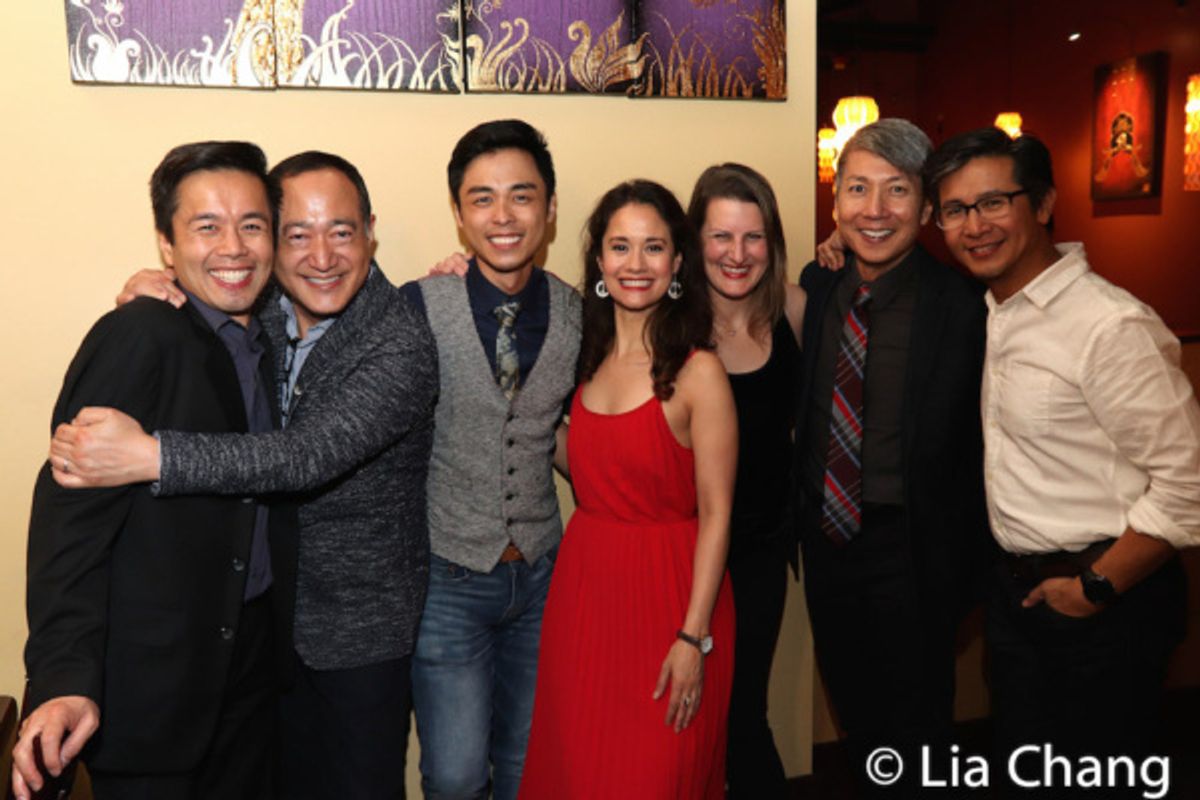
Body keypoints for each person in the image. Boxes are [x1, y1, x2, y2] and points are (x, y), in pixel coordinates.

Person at [47, 151, 439, 800]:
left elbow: (304, 456)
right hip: (256, 635)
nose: (322, 256)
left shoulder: (399, 339)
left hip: (358, 634)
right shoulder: (258, 311)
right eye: (296, 234)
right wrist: (160, 289)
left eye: (341, 232)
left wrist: (154, 455)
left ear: (371, 231)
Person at [924, 128, 1200, 797]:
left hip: (1108, 603)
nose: (974, 226)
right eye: (956, 210)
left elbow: (1189, 487)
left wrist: (1095, 589)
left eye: (994, 202)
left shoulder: (1108, 326)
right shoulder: (992, 312)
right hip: (1021, 599)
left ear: (1043, 204)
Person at [15, 141, 290, 800]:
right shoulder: (140, 335)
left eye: (252, 225)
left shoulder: (273, 336)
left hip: (250, 686)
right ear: (167, 245)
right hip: (153, 698)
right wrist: (63, 679)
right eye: (206, 227)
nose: (234, 247)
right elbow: (68, 525)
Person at [518, 179, 736, 798]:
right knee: (581, 771)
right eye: (619, 247)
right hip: (585, 599)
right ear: (598, 262)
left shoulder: (700, 372)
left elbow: (719, 514)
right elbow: (590, 461)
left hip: (674, 600)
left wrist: (694, 637)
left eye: (653, 248)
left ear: (676, 264)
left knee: (657, 777)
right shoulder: (581, 356)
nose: (634, 265)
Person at [793, 119, 991, 796]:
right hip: (828, 548)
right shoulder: (817, 291)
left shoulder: (966, 306)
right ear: (836, 203)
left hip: (917, 555)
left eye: (896, 191)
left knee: (920, 734)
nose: (874, 210)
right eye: (857, 190)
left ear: (926, 207)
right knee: (858, 725)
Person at [398, 119, 580, 800]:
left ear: (551, 208)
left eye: (521, 196)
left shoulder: (579, 311)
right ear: (459, 214)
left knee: (528, 763)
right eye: (482, 199)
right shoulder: (417, 305)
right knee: (453, 776)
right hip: (446, 579)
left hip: (541, 575)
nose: (503, 216)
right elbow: (316, 327)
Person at [685, 163, 804, 798]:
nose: (737, 254)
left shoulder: (794, 307)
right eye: (720, 237)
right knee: (683, 715)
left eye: (753, 237)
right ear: (693, 239)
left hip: (758, 551)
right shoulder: (666, 317)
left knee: (742, 711)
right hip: (683, 550)